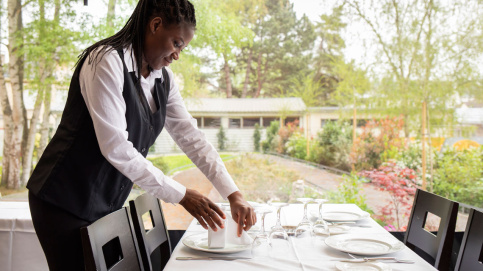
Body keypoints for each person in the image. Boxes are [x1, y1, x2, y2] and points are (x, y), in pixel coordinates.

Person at [26, 0, 255, 269]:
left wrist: (233, 193)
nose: (177, 55)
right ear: (155, 25)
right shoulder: (105, 61)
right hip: (63, 199)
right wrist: (182, 194)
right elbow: (116, 148)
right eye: (177, 43)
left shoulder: (163, 79)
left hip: (105, 205)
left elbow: (191, 137)